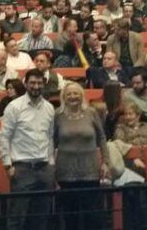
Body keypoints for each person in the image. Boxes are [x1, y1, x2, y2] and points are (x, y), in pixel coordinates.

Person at [0, 69, 56, 230]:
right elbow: (4, 137)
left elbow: (50, 137)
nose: (36, 86)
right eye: (32, 83)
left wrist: (51, 163)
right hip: (22, 169)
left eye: (39, 83)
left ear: (43, 84)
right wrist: (7, 165)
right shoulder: (14, 107)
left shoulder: (49, 108)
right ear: (25, 83)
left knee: (41, 218)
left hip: (44, 169)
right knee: (17, 218)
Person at [54, 82, 109, 230]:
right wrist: (51, 167)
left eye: (76, 93)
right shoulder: (57, 115)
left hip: (90, 171)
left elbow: (102, 138)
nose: (73, 97)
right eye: (69, 94)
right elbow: (51, 142)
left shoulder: (91, 113)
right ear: (64, 97)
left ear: (82, 95)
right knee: (70, 214)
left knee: (92, 214)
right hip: (65, 172)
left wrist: (106, 162)